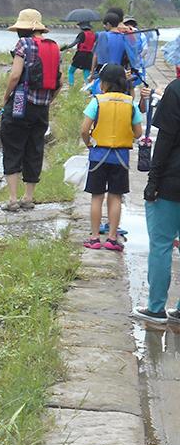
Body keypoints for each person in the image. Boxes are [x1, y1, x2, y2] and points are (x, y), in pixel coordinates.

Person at [0, 8, 61, 212]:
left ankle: (12, 198)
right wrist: (50, 99)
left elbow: (15, 75)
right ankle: (28, 197)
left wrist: (5, 96)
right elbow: (58, 81)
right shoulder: (54, 47)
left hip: (20, 105)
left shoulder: (23, 44)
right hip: (41, 108)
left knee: (13, 147)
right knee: (35, 149)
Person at [80, 64, 143, 252]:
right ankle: (113, 238)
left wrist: (88, 143)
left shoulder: (97, 101)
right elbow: (138, 133)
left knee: (96, 197)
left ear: (104, 83)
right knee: (116, 197)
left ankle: (94, 238)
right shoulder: (130, 103)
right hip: (121, 157)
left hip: (98, 155)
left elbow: (84, 129)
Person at [135, 76, 180, 323]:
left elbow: (165, 141)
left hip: (172, 181)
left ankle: (156, 308)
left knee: (162, 245)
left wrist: (153, 180)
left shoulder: (176, 90)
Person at [60, 21, 96, 86]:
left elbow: (74, 43)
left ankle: (71, 85)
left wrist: (65, 47)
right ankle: (88, 87)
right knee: (86, 72)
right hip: (90, 55)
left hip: (80, 54)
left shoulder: (82, 34)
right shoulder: (93, 34)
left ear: (82, 27)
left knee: (71, 71)